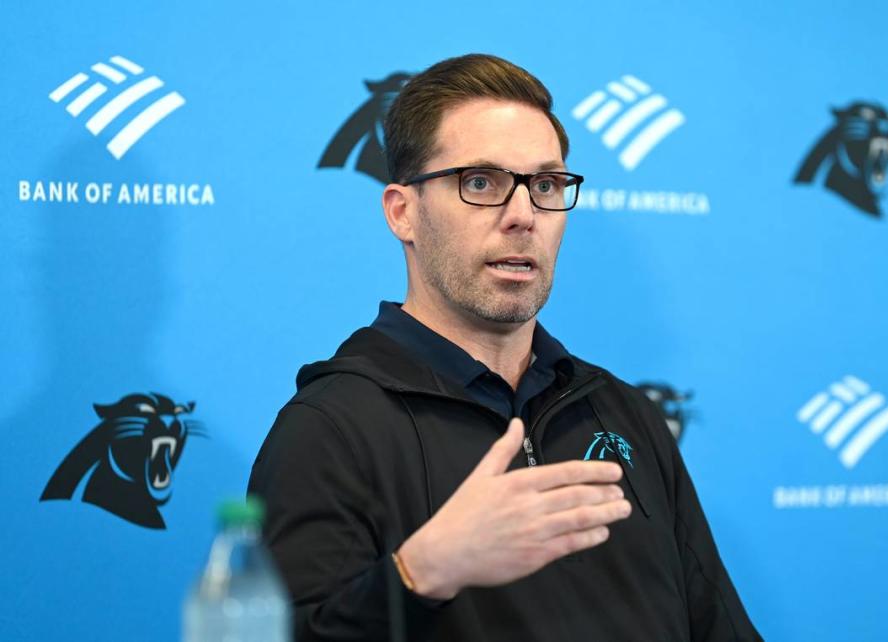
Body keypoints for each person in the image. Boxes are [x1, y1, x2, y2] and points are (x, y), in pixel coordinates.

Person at [248, 53, 761, 642]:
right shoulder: (331, 429)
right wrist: (419, 576)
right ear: (403, 212)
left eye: (545, 184)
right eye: (481, 183)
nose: (523, 216)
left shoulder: (623, 412)